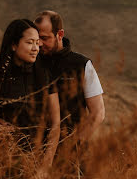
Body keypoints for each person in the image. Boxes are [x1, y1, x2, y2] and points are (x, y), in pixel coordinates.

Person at [0, 19, 60, 179]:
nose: (36, 48)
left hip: (35, 167)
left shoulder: (45, 77)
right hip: (0, 165)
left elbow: (56, 125)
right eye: (29, 43)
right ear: (14, 45)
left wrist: (44, 168)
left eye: (37, 43)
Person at [34, 10, 105, 144]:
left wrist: (74, 145)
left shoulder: (82, 65)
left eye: (44, 38)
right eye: (37, 39)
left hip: (70, 153)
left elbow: (98, 113)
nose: (39, 44)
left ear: (60, 34)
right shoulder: (31, 62)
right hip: (32, 149)